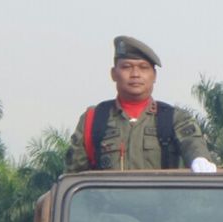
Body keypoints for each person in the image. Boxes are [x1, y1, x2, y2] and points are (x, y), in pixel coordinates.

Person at [66, 36, 215, 173]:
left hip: (162, 202)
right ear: (113, 73)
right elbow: (74, 176)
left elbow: (192, 144)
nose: (135, 74)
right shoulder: (94, 119)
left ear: (154, 76)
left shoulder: (174, 119)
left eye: (143, 67)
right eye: (126, 67)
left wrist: (199, 159)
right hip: (107, 202)